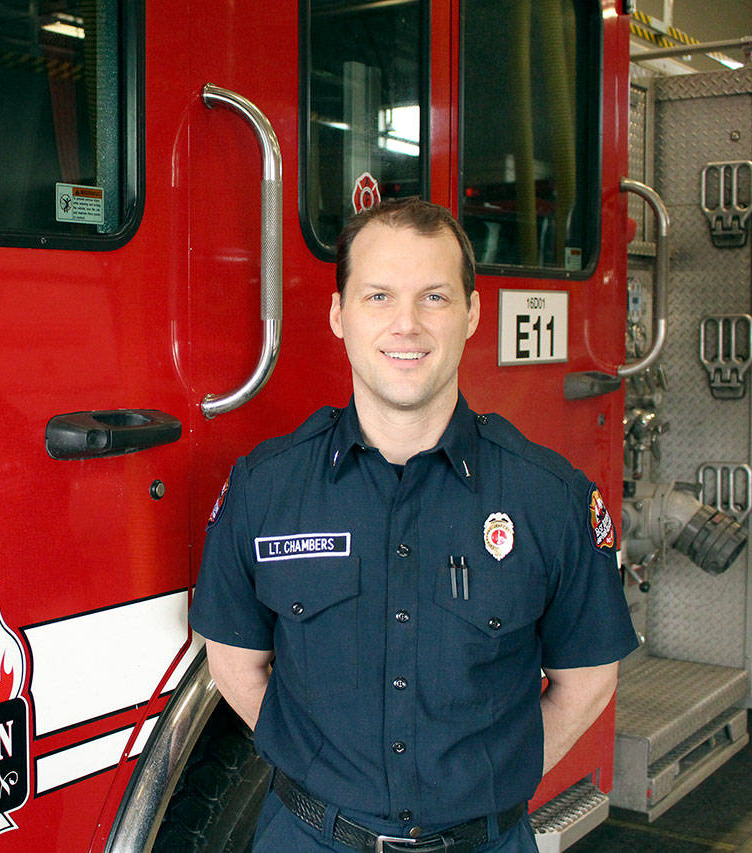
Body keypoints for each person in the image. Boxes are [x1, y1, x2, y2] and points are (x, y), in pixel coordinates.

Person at [189, 197, 638, 853]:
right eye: (378, 296)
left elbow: (590, 677)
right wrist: (322, 768)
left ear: (471, 314)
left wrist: (485, 780)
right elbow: (232, 661)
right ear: (339, 314)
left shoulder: (551, 499)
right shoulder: (266, 487)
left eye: (434, 297)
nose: (407, 324)